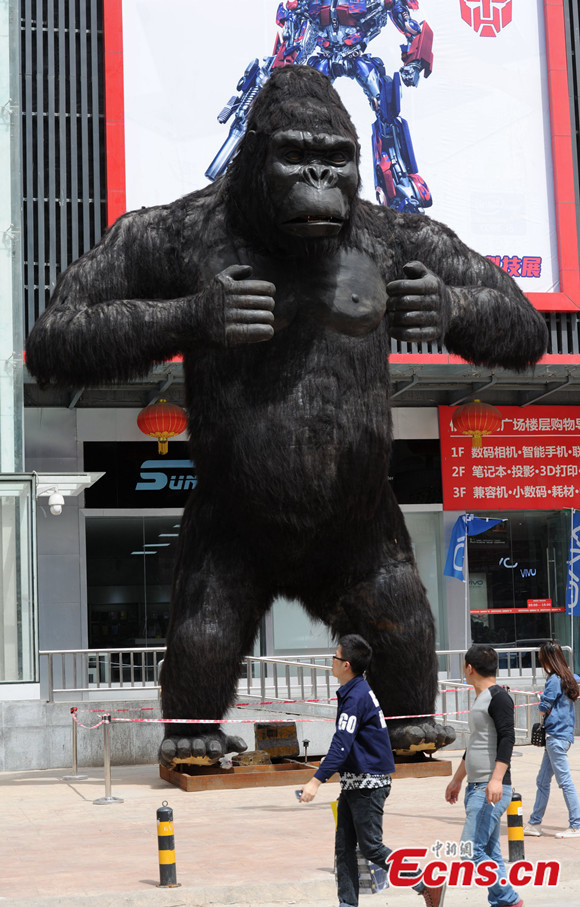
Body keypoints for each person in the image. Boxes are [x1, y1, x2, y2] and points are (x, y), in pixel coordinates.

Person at [299, 633, 445, 907]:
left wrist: (315, 781)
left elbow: (341, 744)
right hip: (354, 784)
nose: (331, 660)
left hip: (368, 785)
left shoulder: (356, 696)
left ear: (347, 665)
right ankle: (347, 903)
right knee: (344, 850)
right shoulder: (354, 691)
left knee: (371, 848)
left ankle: (424, 882)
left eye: (336, 656)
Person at [445, 645, 523, 907]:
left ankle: (509, 900)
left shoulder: (499, 697)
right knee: (489, 852)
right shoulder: (481, 698)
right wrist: (457, 779)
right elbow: (476, 745)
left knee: (471, 851)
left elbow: (507, 739)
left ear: (469, 668)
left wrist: (497, 779)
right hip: (475, 786)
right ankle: (502, 902)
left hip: (488, 788)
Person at [524, 640, 580, 838]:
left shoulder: (555, 679)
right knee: (542, 780)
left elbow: (542, 708)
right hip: (561, 736)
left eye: (542, 658)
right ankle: (535, 823)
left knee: (564, 781)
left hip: (555, 736)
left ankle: (576, 825)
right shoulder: (571, 677)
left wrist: (543, 707)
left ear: (548, 659)